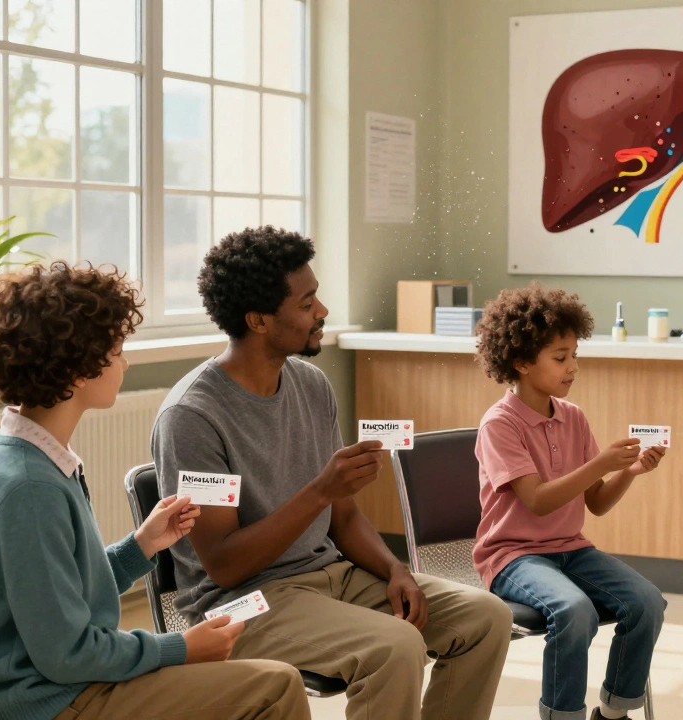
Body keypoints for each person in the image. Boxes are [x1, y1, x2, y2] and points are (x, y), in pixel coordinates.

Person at [151, 227, 512, 720]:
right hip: (239, 604)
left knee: (486, 617)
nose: (321, 312)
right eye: (307, 303)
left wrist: (394, 569)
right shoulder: (192, 417)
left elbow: (344, 518)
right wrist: (320, 490)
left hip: (331, 575)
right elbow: (225, 566)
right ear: (257, 320)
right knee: (395, 647)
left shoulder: (310, 384)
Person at [0, 262, 308, 720]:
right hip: (51, 703)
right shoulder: (28, 488)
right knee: (276, 685)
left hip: (59, 686)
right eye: (118, 349)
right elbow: (68, 653)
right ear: (80, 369)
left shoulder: (31, 457)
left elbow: (60, 597)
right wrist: (180, 647)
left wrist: (140, 547)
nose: (124, 361)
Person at [472, 284, 667, 720]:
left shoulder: (572, 416)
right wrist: (601, 463)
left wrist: (628, 472)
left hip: (570, 549)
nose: (572, 367)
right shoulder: (499, 425)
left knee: (648, 602)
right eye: (560, 358)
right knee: (574, 612)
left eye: (574, 355)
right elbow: (537, 501)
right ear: (521, 362)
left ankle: (614, 713)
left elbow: (595, 503)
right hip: (513, 556)